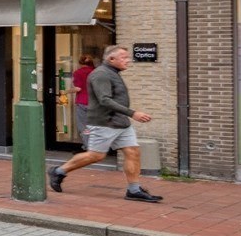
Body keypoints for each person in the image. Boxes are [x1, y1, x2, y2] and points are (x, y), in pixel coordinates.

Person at [50, 45, 159, 201]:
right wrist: (133, 113)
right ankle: (59, 171)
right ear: (111, 59)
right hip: (104, 122)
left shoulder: (112, 73)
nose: (128, 60)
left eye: (128, 57)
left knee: (133, 152)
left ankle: (133, 190)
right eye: (124, 57)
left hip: (120, 122)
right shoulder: (101, 74)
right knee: (96, 155)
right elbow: (104, 100)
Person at [70, 53, 96, 142]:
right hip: (95, 103)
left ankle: (88, 147)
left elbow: (78, 88)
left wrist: (65, 91)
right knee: (94, 126)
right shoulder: (96, 72)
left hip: (82, 102)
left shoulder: (78, 73)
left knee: (84, 127)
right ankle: (96, 146)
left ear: (80, 63)